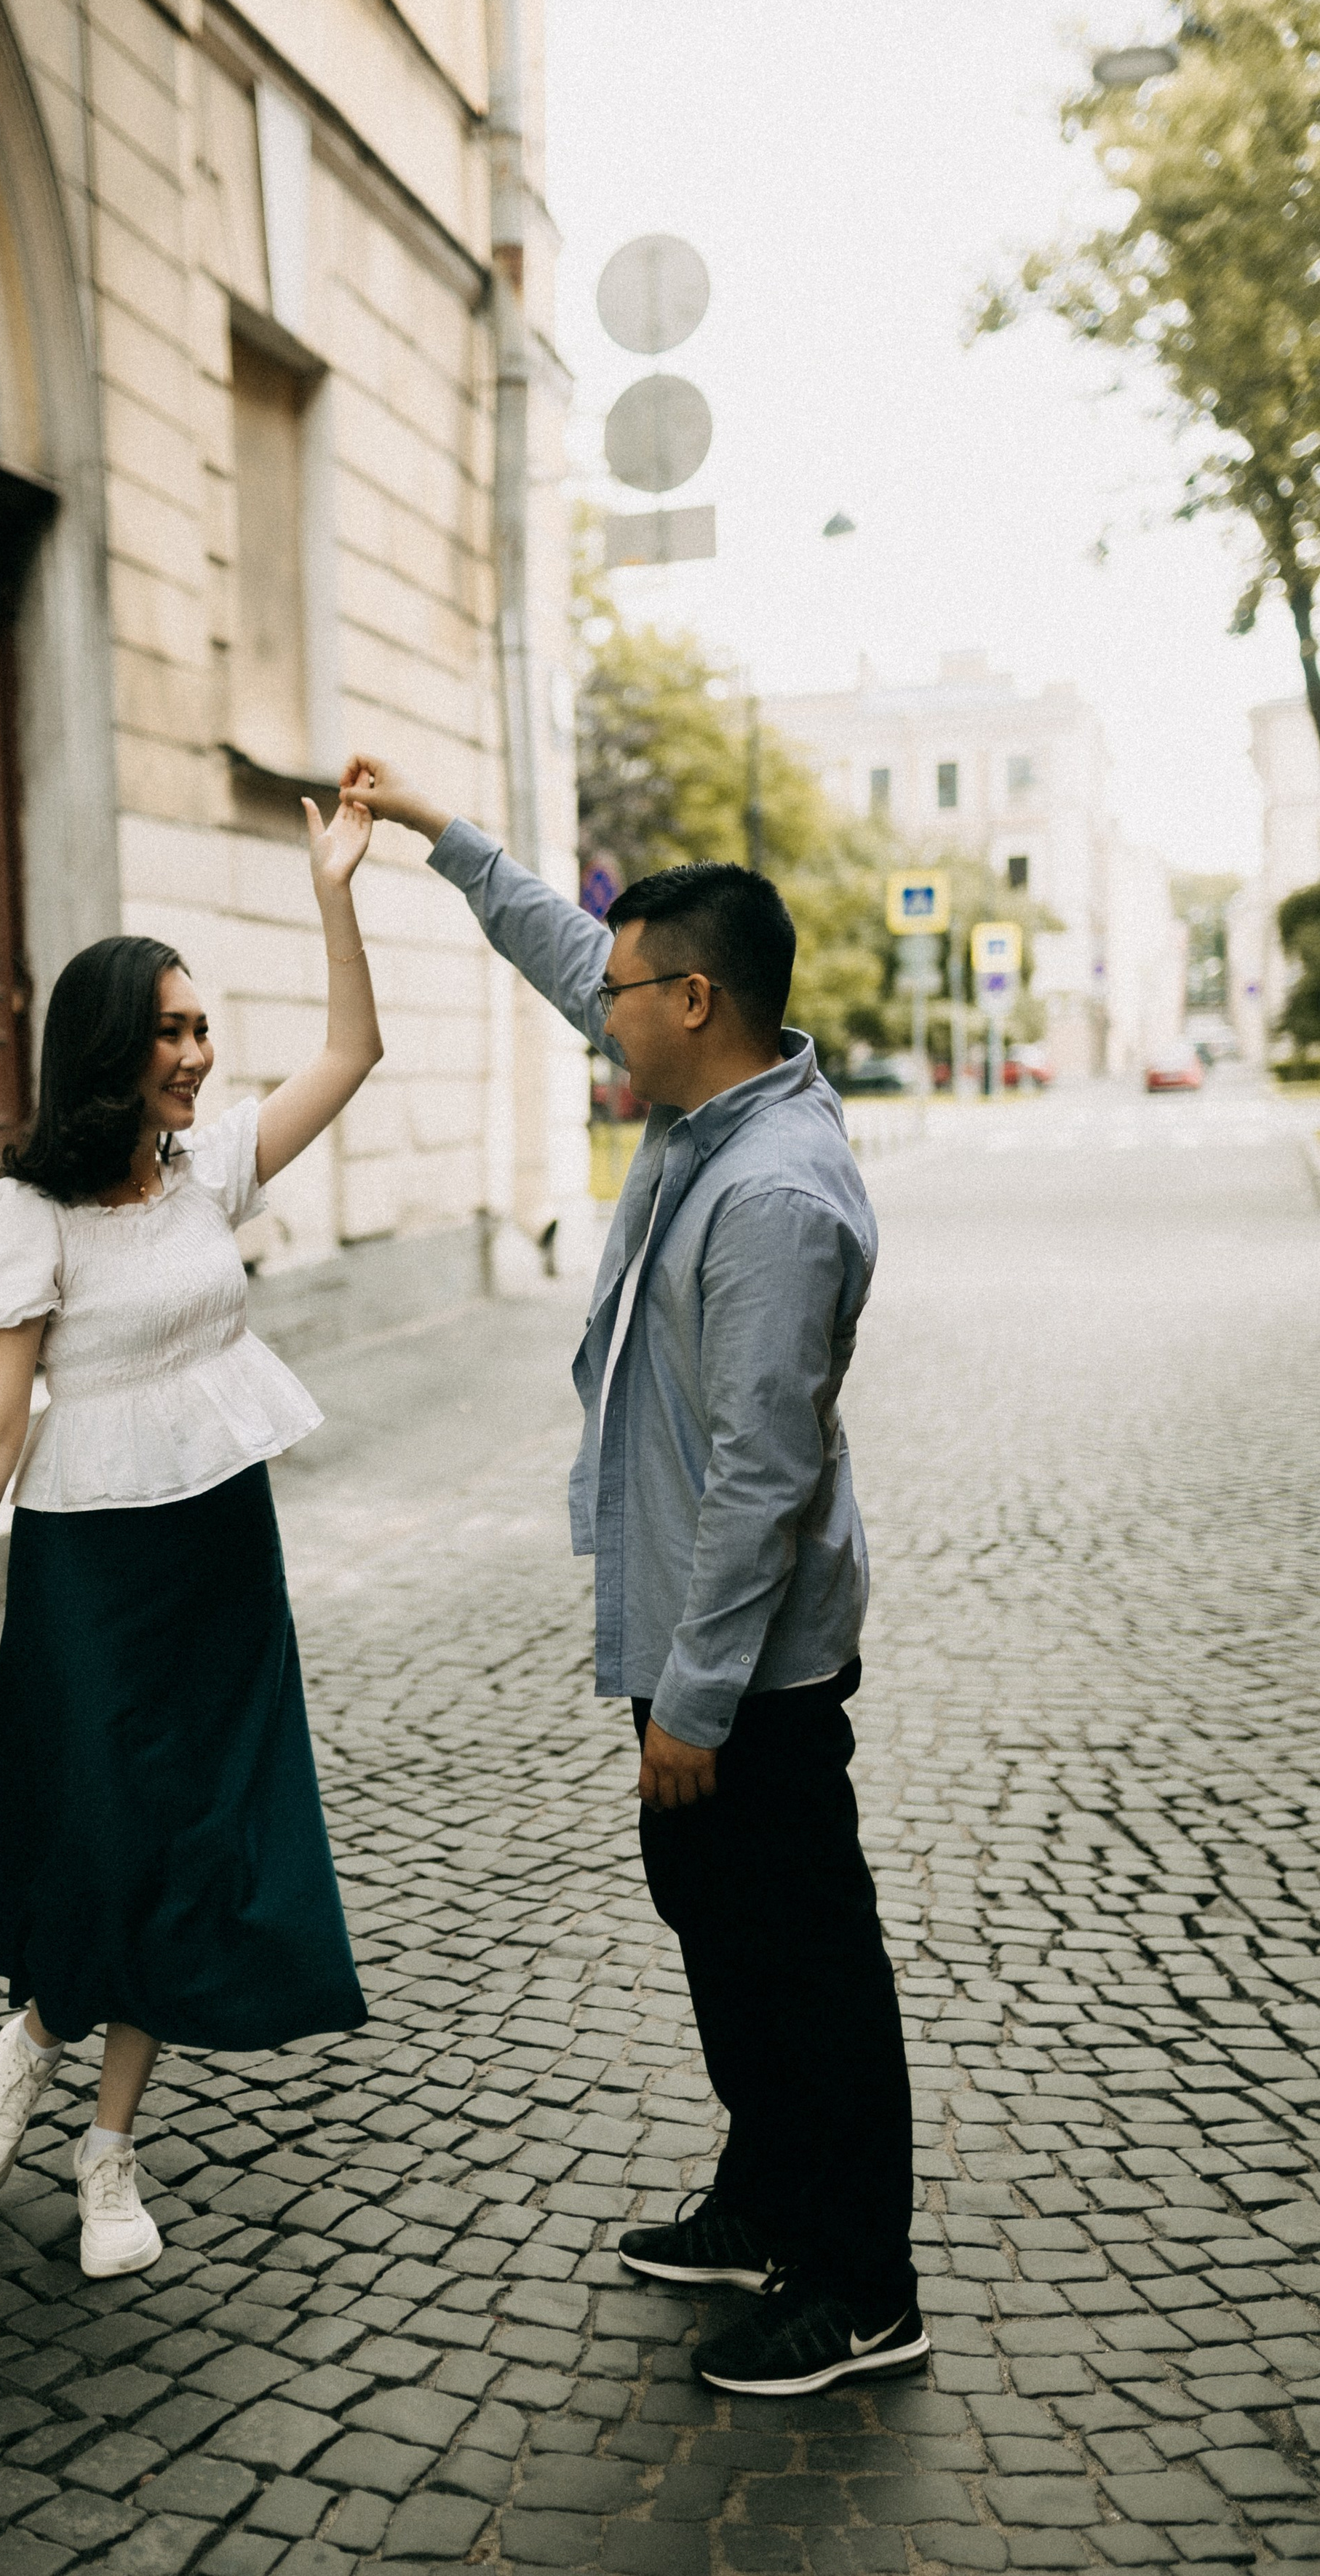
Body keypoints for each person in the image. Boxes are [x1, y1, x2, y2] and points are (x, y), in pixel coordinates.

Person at [343, 753, 921, 2399]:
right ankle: (762, 2201)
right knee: (718, 1925)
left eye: (620, 988)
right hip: (691, 1643)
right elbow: (558, 944)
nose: (594, 1003)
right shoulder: (698, 1102)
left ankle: (861, 2283)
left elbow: (763, 1476)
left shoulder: (772, 1193)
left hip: (747, 1669)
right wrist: (441, 838)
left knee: (804, 1957)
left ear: (694, 997)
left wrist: (694, 1696)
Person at [0, 791, 381, 2280]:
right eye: (167, 1031)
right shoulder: (28, 1212)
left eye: (203, 1028)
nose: (195, 1054)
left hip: (219, 1540)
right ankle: (32, 2026)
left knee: (195, 1825)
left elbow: (349, 1055)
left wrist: (330, 890)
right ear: (107, 1045)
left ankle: (109, 2149)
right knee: (96, 1820)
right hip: (91, 1563)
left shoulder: (210, 1168)